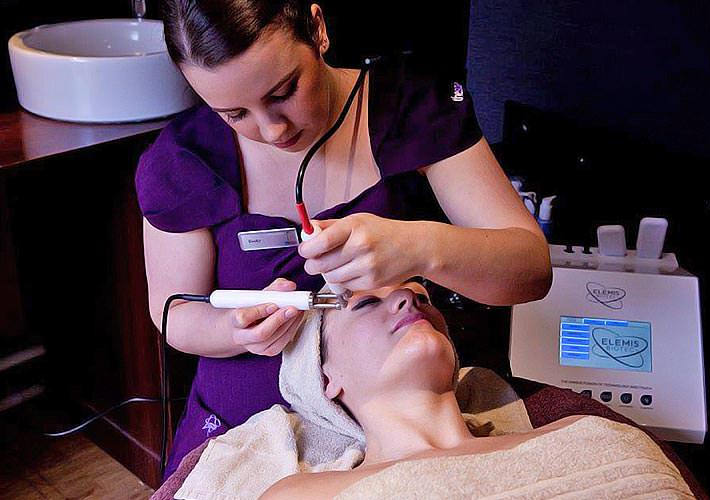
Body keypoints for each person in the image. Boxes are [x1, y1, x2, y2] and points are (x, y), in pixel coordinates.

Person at [135, 0, 551, 478]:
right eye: (233, 114)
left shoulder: (412, 106)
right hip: (241, 430)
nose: (272, 130)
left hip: (399, 421)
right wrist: (232, 331)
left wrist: (421, 247)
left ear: (317, 28)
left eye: (284, 91)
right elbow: (173, 312)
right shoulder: (184, 160)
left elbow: (531, 270)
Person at [261, 281, 694, 498]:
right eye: (366, 303)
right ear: (323, 380)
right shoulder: (302, 494)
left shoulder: (589, 435)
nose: (411, 301)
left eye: (422, 297)